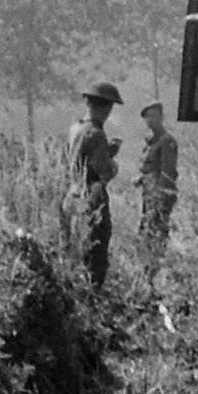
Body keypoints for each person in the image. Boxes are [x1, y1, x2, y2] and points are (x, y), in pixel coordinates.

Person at [67, 82, 122, 286]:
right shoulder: (96, 133)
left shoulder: (76, 128)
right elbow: (105, 170)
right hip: (92, 195)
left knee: (76, 248)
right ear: (106, 108)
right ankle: (92, 295)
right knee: (96, 251)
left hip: (73, 193)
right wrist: (112, 160)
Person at [136, 101, 179, 244]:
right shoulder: (150, 142)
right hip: (149, 193)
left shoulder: (166, 141)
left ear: (161, 117)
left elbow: (168, 172)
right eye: (147, 117)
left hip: (159, 194)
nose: (150, 120)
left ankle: (156, 261)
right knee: (147, 229)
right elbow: (150, 168)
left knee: (156, 231)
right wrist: (141, 178)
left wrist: (161, 199)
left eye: (153, 116)